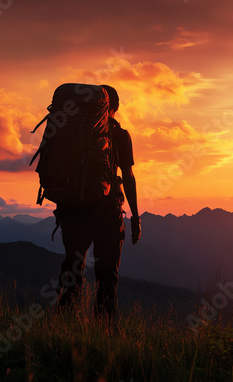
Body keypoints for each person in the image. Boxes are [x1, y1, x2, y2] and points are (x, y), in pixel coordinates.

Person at [54, 84, 141, 320]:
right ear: (114, 107)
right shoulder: (120, 135)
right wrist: (136, 217)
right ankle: (103, 334)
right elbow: (129, 177)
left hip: (73, 208)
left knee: (73, 271)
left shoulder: (70, 132)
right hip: (107, 211)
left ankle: (61, 327)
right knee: (107, 277)